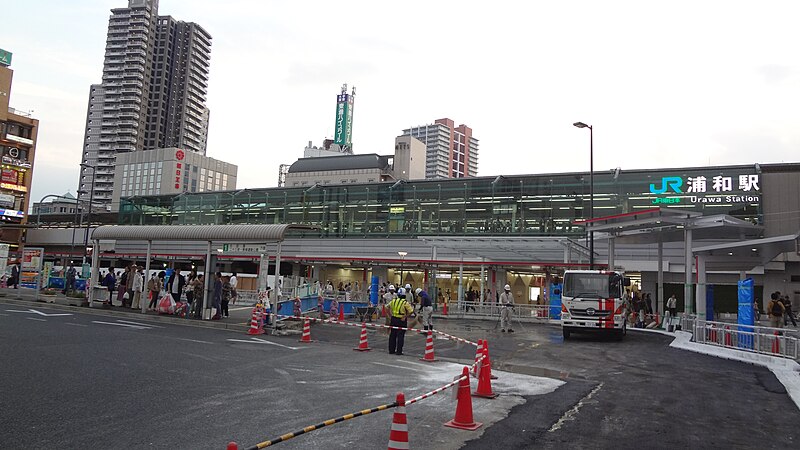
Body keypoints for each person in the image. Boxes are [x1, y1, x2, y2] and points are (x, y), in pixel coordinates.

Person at [388, 287, 414, 355]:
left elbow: (386, 307)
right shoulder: (405, 302)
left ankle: (391, 350)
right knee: (400, 336)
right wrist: (405, 316)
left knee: (392, 335)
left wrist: (390, 315)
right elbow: (411, 311)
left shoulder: (393, 301)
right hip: (401, 320)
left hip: (393, 319)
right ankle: (399, 351)